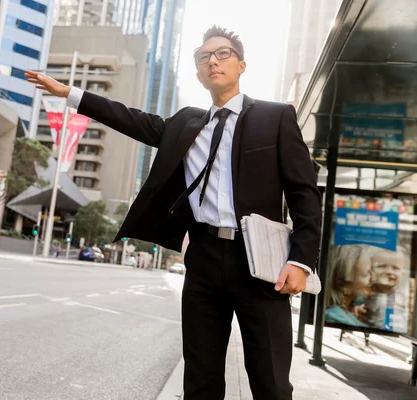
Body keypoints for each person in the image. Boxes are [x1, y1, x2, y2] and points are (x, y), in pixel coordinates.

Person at [26, 26, 322, 400]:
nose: (212, 60)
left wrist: (301, 259)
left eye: (223, 53)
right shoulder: (186, 123)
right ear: (199, 73)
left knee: (272, 383)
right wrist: (71, 94)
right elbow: (130, 118)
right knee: (200, 379)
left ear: (242, 65)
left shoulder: (275, 117)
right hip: (203, 260)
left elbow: (304, 193)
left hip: (259, 263)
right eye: (204, 57)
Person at [325, 244, 373, 327]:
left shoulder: (353, 308)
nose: (373, 278)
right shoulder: (336, 317)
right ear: (343, 285)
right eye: (366, 274)